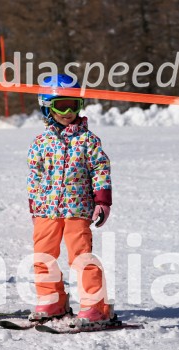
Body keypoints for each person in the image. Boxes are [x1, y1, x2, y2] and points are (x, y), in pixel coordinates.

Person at [27, 73, 113, 326]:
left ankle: (95, 306)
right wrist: (34, 205)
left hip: (78, 208)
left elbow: (100, 169)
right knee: (43, 256)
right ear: (47, 107)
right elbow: (35, 176)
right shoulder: (40, 142)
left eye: (73, 105)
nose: (67, 112)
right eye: (61, 106)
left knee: (81, 257)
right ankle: (51, 299)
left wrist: (102, 201)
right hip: (46, 209)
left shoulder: (88, 140)